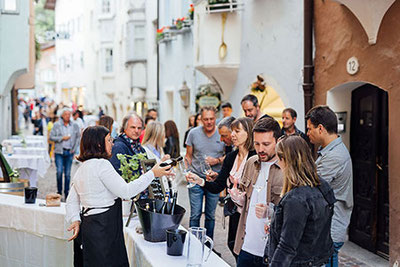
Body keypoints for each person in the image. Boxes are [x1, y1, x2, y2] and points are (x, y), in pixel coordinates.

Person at [65, 126, 171, 267]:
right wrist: (152, 173)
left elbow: (71, 200)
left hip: (89, 226)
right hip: (104, 227)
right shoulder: (102, 165)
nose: (112, 144)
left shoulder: (82, 168)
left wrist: (76, 220)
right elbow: (126, 192)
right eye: (109, 140)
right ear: (98, 144)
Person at [186, 117, 256, 260]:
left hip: (251, 214)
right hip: (235, 212)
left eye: (237, 131)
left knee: (247, 250)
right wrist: (199, 180)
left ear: (248, 133)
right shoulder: (231, 157)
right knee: (232, 245)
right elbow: (218, 186)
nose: (232, 135)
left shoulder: (255, 158)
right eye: (232, 132)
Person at [265, 135, 336, 266]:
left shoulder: (295, 199)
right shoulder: (322, 185)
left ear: (284, 160)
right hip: (317, 260)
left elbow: (287, 246)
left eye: (278, 158)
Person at [229, 117, 283, 267]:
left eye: (266, 144)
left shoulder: (287, 170)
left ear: (278, 141)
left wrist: (271, 211)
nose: (260, 149)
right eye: (257, 143)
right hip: (246, 246)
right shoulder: (251, 162)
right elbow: (245, 201)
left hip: (271, 251)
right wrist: (238, 199)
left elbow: (294, 212)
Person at [305, 105, 353, 267]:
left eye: (309, 128)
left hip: (330, 230)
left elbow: (309, 188)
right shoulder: (328, 151)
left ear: (320, 128)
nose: (307, 133)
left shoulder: (334, 156)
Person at [185, 106, 225, 239]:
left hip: (213, 180)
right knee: (195, 214)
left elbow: (229, 156)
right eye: (206, 119)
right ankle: (193, 243)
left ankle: (208, 245)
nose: (209, 122)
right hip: (196, 179)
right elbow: (189, 155)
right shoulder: (193, 133)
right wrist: (187, 171)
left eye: (212, 119)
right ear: (201, 119)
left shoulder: (222, 133)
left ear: (215, 118)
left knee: (210, 215)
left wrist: (217, 160)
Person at [50, 108, 81, 197]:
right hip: (59, 152)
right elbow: (51, 137)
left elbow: (78, 138)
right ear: (62, 115)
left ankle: (67, 192)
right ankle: (59, 191)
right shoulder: (56, 125)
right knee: (59, 172)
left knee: (67, 174)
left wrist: (74, 149)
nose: (68, 116)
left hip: (69, 152)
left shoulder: (75, 125)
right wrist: (62, 138)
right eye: (66, 114)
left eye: (69, 114)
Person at [109, 113, 146, 179]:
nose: (136, 131)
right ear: (124, 128)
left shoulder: (140, 148)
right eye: (133, 127)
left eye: (139, 128)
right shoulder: (118, 147)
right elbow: (117, 174)